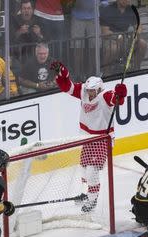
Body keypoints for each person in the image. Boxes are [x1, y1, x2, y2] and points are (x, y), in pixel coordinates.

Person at [51, 61, 127, 212]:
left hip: (101, 139)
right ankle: (87, 194)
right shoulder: (84, 92)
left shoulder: (105, 96)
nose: (89, 93)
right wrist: (62, 74)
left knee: (92, 172)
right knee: (84, 170)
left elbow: (117, 99)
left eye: (92, 90)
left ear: (99, 89)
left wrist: (121, 93)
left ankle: (93, 200)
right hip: (86, 138)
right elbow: (68, 87)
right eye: (88, 90)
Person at [100, 0, 147, 74]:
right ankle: (106, 73)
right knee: (113, 48)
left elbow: (139, 27)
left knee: (142, 43)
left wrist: (136, 34)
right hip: (111, 40)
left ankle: (136, 69)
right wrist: (117, 36)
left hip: (127, 39)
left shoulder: (131, 10)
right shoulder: (108, 10)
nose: (126, 0)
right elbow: (105, 32)